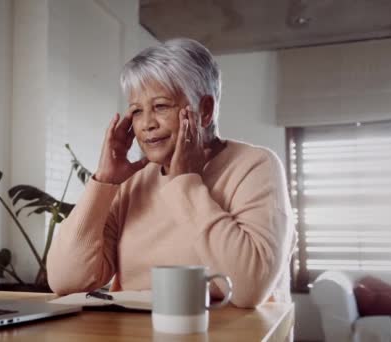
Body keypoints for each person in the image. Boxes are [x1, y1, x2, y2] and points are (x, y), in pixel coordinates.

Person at [47, 38, 296, 308]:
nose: (147, 124)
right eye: (137, 111)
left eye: (161, 106)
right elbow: (65, 280)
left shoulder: (256, 166)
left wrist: (184, 184)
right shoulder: (134, 183)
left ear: (204, 110)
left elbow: (248, 289)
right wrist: (104, 182)